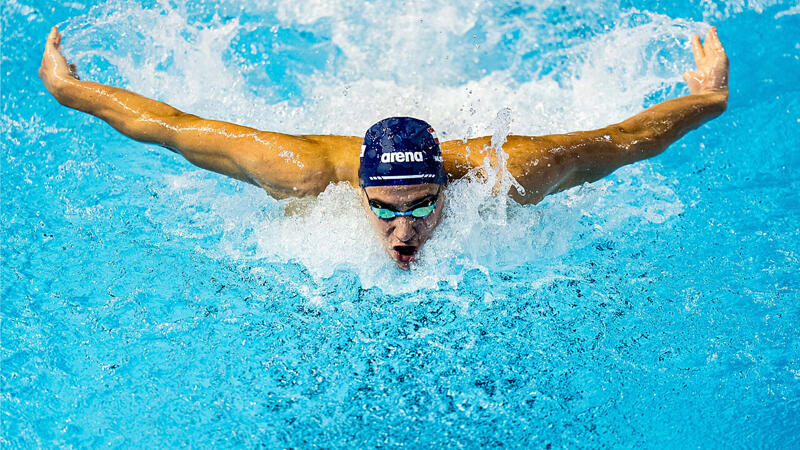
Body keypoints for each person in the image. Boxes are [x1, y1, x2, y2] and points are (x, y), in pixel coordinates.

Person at [39, 26, 729, 270]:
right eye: (386, 210)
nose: (405, 234)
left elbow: (625, 141)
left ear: (446, 187)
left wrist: (705, 100)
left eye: (423, 206)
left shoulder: (508, 172)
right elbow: (172, 126)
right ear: (359, 192)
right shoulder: (304, 170)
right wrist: (71, 90)